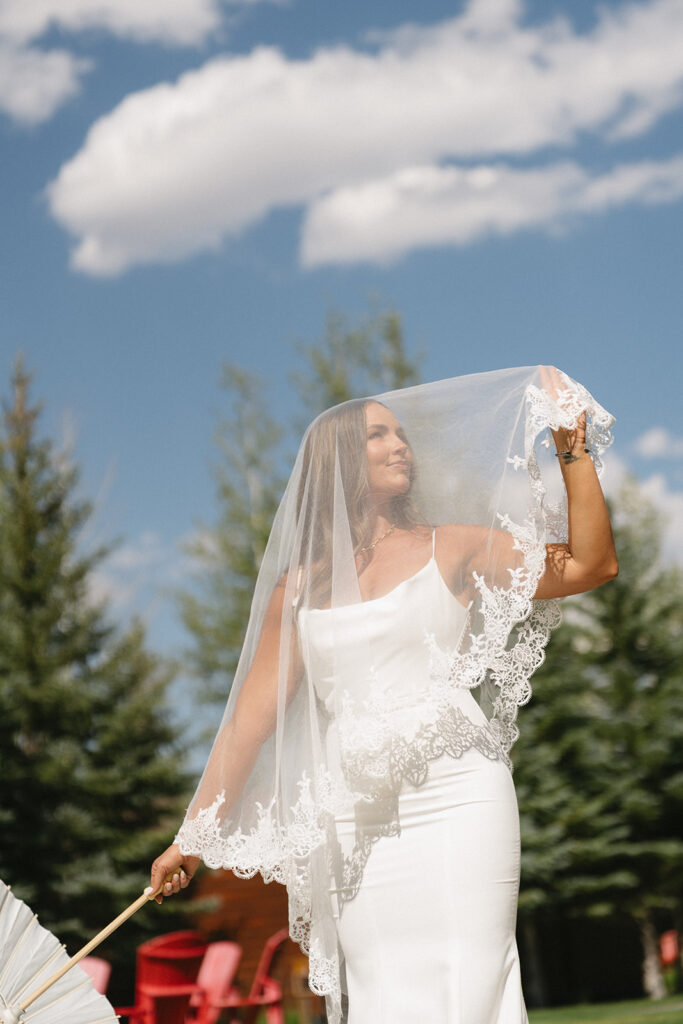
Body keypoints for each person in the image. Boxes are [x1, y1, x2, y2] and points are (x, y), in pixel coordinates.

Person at [150, 365, 617, 1023]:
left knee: (468, 978)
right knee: (383, 992)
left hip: (460, 796)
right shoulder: (297, 591)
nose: (400, 446)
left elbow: (591, 564)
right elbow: (245, 727)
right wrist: (192, 838)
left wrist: (571, 450)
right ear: (339, 461)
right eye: (377, 436)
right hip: (351, 817)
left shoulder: (454, 547)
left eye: (401, 434)